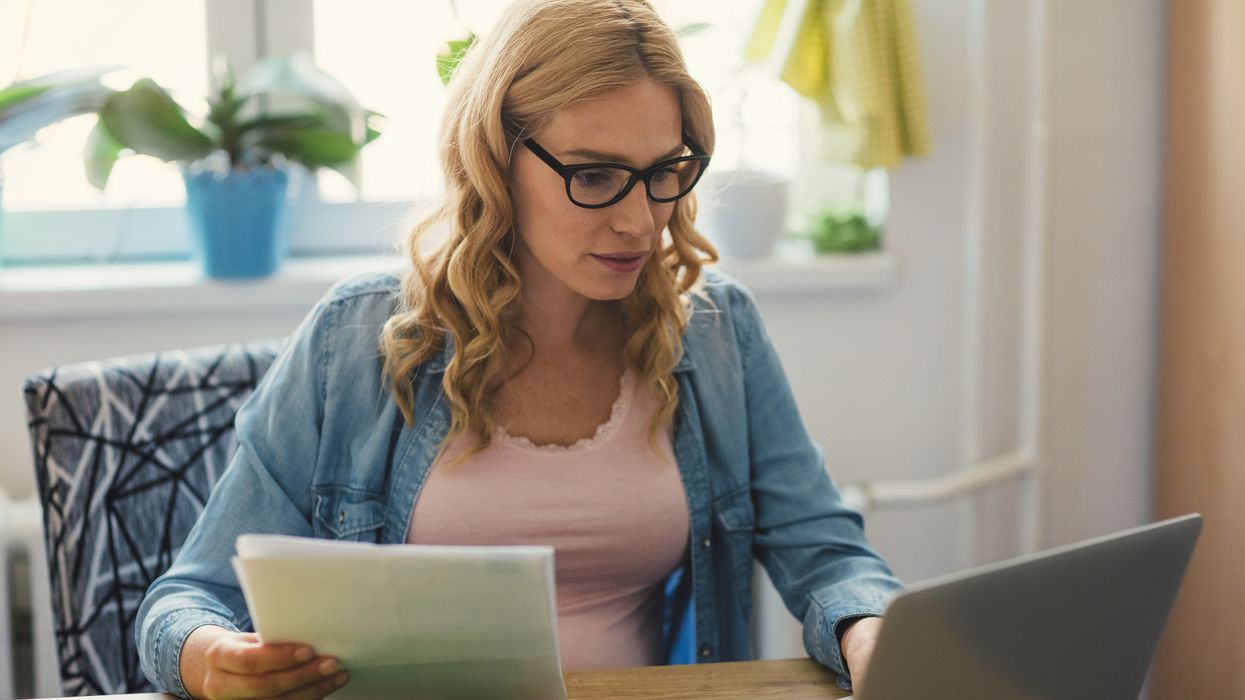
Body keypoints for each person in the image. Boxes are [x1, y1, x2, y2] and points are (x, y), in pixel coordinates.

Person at [136, 0, 904, 697]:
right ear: (495, 158)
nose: (640, 221)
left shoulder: (715, 330)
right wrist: (212, 660)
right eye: (594, 176)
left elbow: (824, 552)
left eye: (664, 172)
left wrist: (869, 632)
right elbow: (185, 603)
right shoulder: (355, 338)